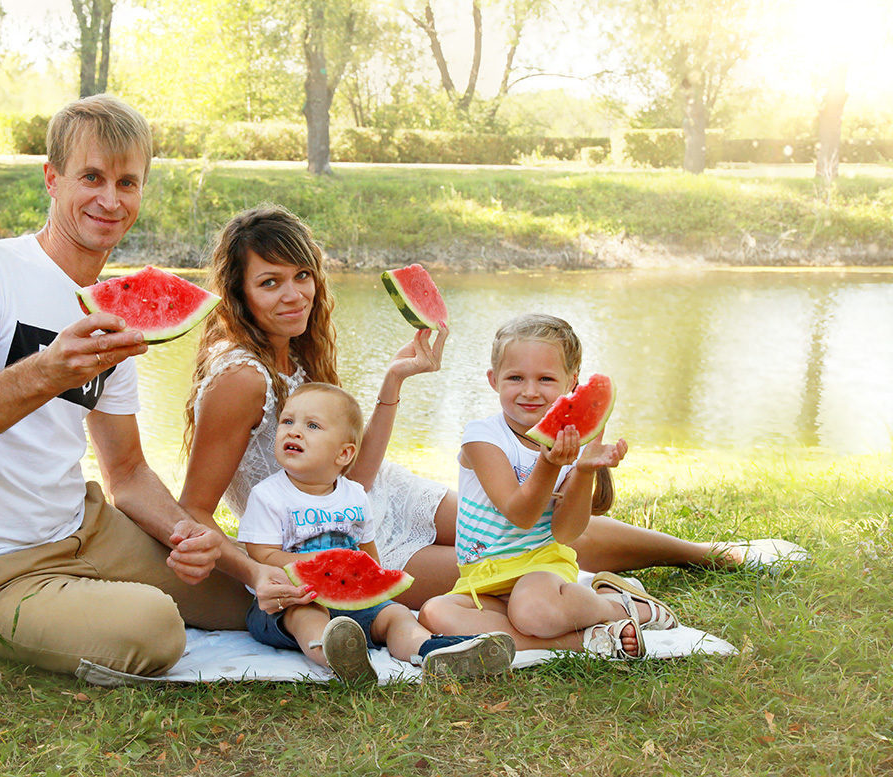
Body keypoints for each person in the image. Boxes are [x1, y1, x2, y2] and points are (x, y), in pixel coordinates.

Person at [180, 205, 805, 611]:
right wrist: (260, 568)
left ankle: (715, 555)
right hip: (334, 533)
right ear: (237, 291)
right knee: (512, 555)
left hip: (380, 495)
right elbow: (196, 511)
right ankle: (606, 597)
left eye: (301, 276)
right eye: (269, 282)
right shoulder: (240, 378)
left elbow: (358, 474)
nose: (293, 295)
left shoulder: (296, 353)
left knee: (532, 524)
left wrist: (394, 381)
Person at [0, 95, 288, 679]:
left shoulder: (112, 315)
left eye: (127, 182)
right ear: (51, 178)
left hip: (85, 528)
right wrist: (50, 370)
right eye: (91, 177)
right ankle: (68, 610)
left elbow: (129, 474)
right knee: (155, 629)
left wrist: (219, 552)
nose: (110, 200)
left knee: (254, 602)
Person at [418, 314, 681, 658]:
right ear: (493, 379)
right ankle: (591, 640)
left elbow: (566, 532)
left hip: (542, 569)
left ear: (572, 383)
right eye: (515, 378)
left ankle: (625, 607)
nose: (530, 391)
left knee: (531, 612)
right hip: (483, 577)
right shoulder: (482, 437)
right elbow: (519, 512)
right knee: (435, 613)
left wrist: (583, 471)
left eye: (545, 378)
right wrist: (551, 462)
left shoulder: (568, 448)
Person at [239, 382, 515, 681]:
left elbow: (368, 551)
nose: (293, 431)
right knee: (306, 616)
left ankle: (430, 651)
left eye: (312, 425)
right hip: (289, 601)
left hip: (356, 601)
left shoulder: (355, 494)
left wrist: (371, 578)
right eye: (287, 422)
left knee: (395, 615)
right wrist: (317, 564)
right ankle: (337, 654)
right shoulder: (269, 495)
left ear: (344, 454)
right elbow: (261, 553)